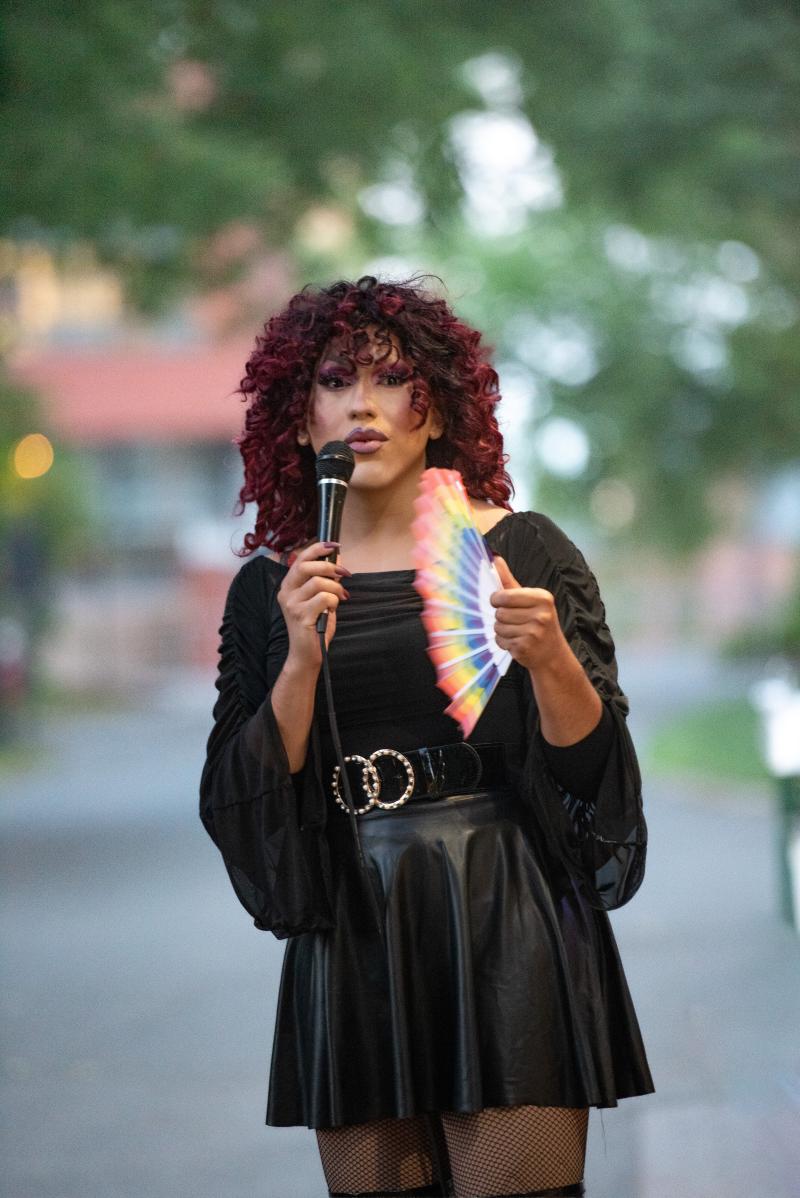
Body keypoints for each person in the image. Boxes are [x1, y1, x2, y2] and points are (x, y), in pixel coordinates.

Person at [199, 276, 653, 1198]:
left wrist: (553, 661)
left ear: (434, 406)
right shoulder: (268, 592)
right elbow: (243, 798)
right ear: (297, 420)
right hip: (351, 918)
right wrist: (297, 662)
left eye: (392, 378)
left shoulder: (520, 552)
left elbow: (598, 776)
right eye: (334, 380)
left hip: (504, 912)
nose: (361, 403)